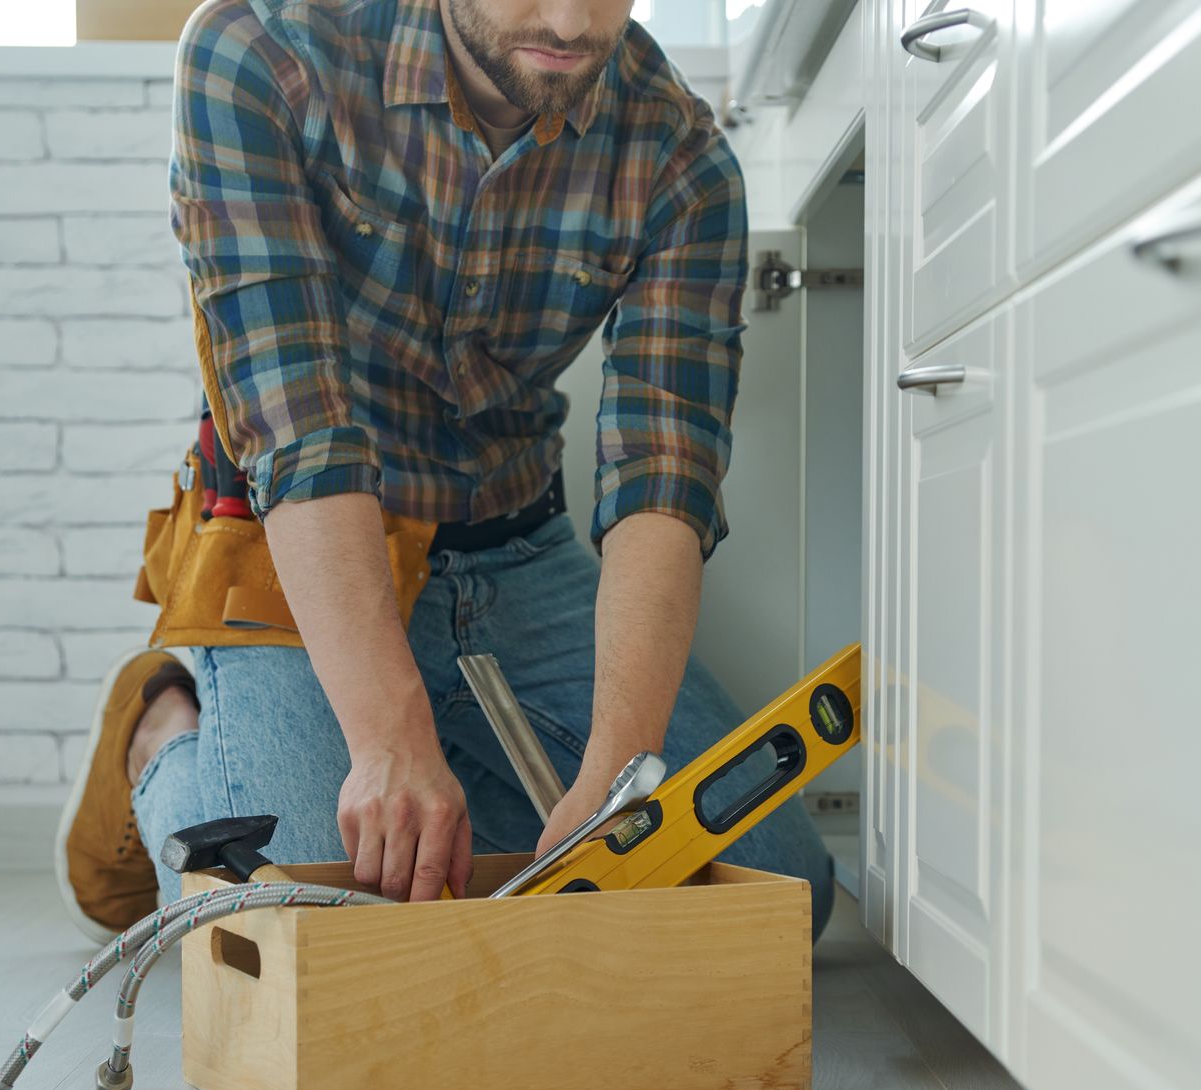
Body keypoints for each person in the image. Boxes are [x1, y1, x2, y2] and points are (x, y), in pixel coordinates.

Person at [53, 0, 834, 946]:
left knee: (775, 895)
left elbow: (664, 480)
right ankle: (163, 726)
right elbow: (304, 434)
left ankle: (433, 768)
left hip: (516, 550)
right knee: (308, 931)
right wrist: (387, 739)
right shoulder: (259, 51)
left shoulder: (682, 158)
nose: (567, 20)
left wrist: (620, 777)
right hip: (301, 544)